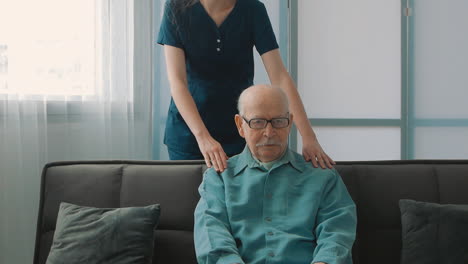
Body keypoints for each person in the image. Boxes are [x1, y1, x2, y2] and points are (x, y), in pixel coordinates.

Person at [157, 0, 335, 172]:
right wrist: (203, 138)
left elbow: (280, 77)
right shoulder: (176, 7)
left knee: (242, 199)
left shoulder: (253, 9)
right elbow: (178, 83)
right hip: (190, 134)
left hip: (242, 131)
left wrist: (309, 137)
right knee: (194, 201)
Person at [194, 85, 357, 264]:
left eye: (278, 121)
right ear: (241, 125)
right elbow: (213, 236)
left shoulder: (322, 176)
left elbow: (337, 234)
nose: (269, 132)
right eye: (258, 122)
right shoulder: (219, 179)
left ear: (289, 122)